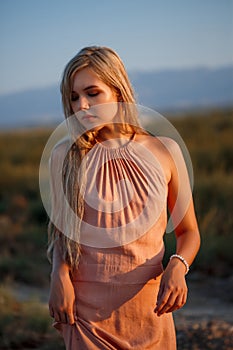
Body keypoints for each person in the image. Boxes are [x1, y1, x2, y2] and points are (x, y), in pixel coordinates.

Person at [47, 46, 200, 350]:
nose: (83, 105)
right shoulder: (64, 155)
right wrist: (58, 276)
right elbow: (63, 232)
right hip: (86, 313)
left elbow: (188, 232)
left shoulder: (165, 150)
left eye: (93, 93)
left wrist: (177, 266)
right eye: (74, 97)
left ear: (117, 91)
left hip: (149, 308)